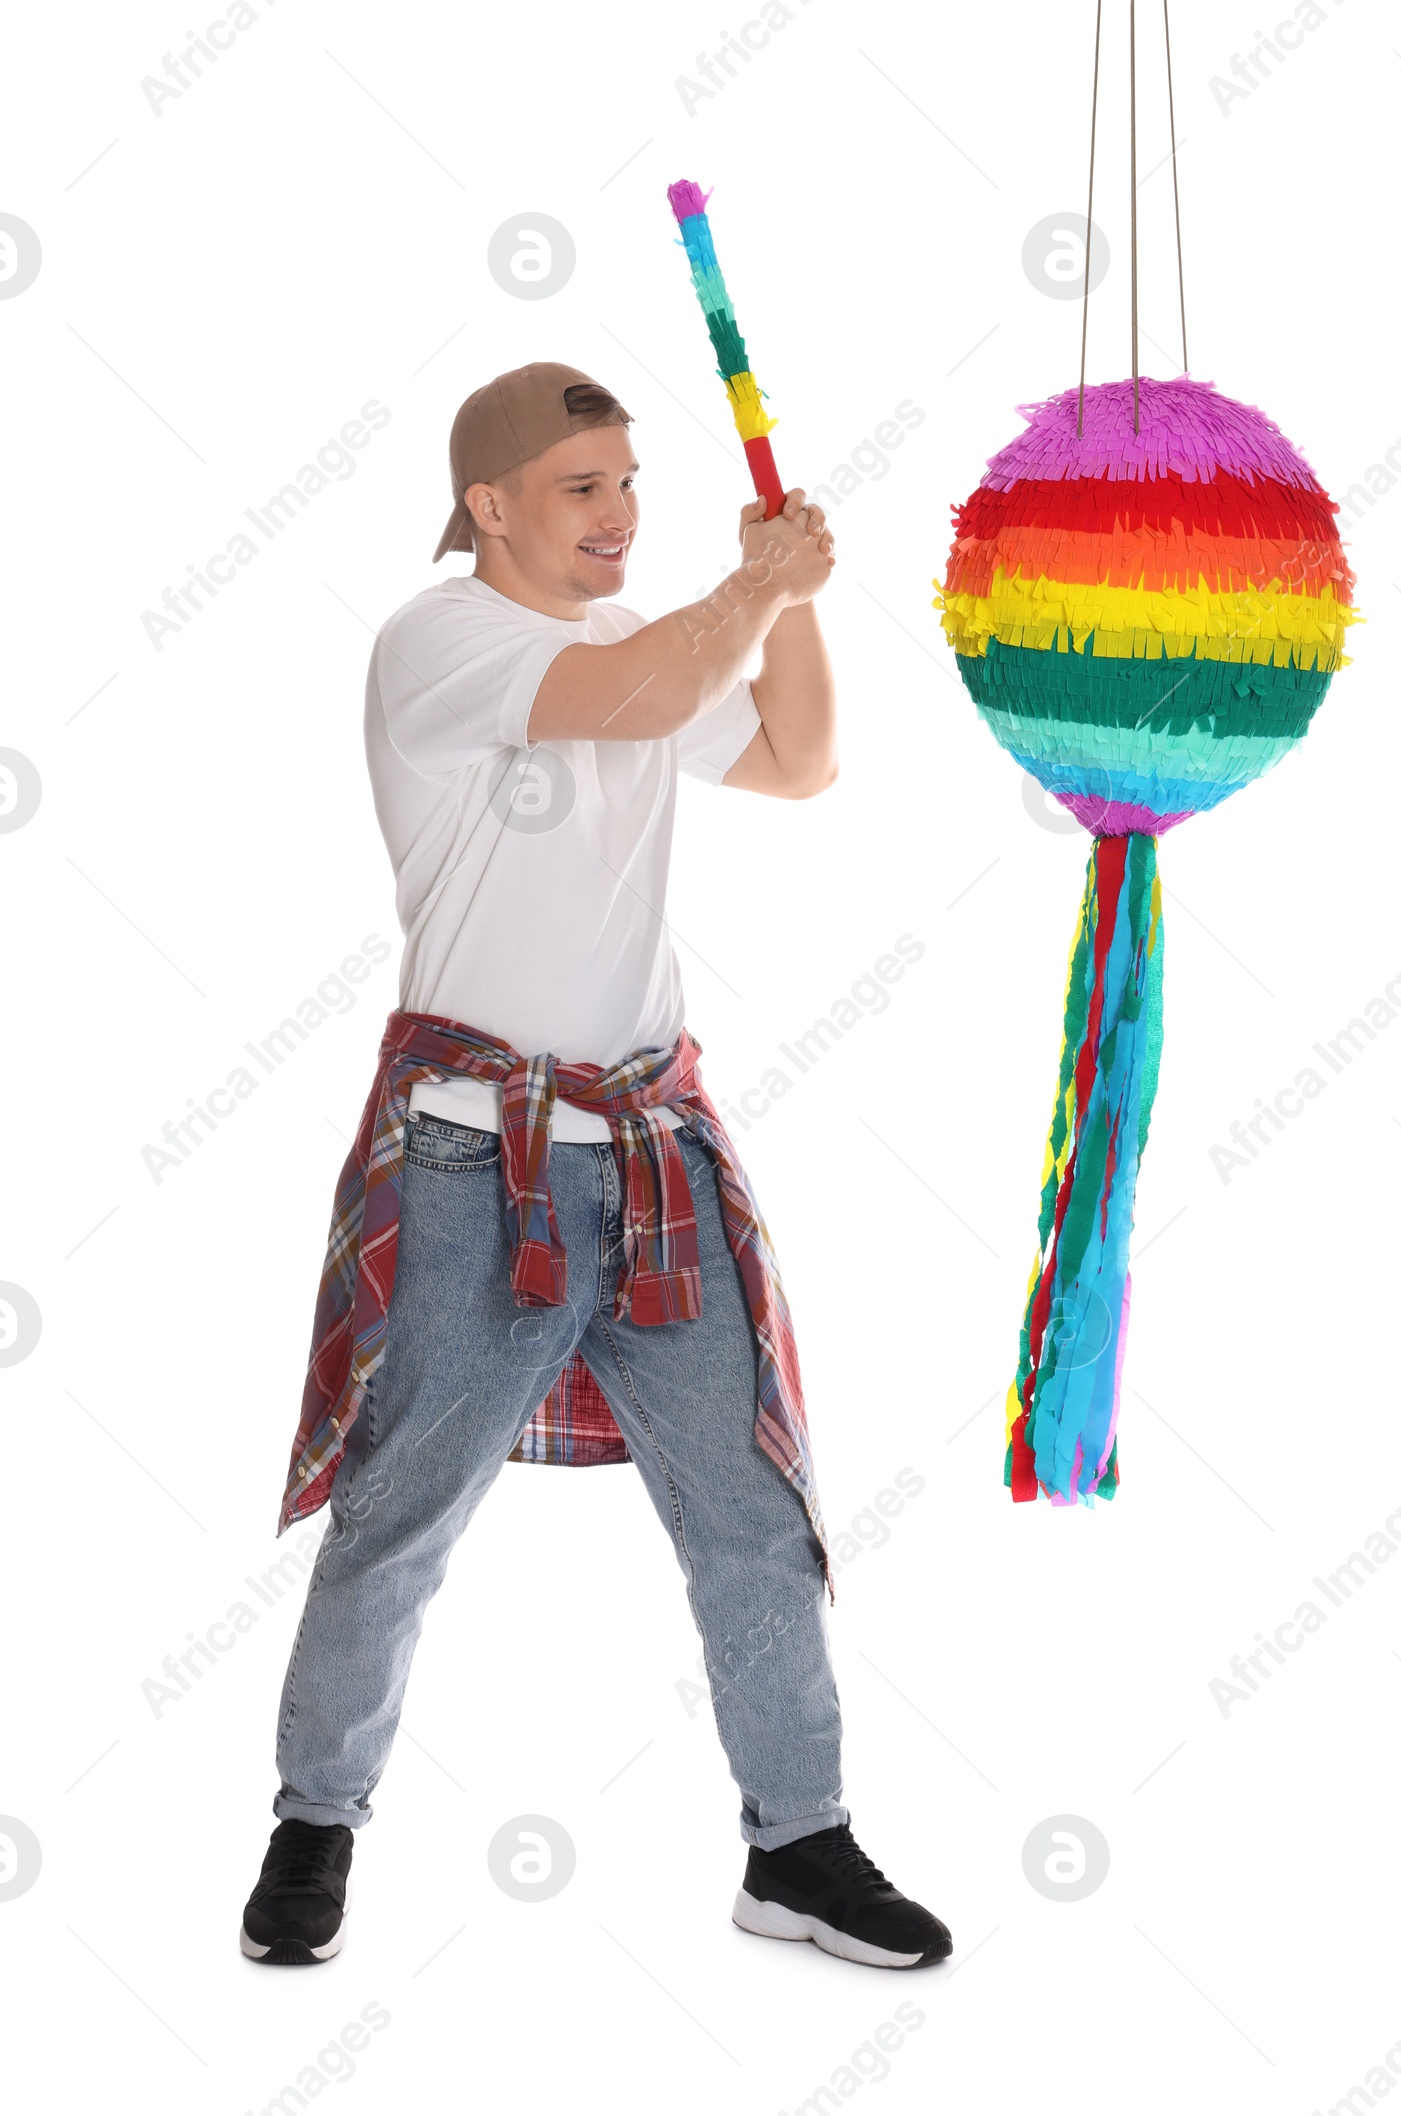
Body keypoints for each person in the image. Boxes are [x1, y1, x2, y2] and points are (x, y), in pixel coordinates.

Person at [238, 362, 951, 1972]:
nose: (619, 514)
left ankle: (802, 1848)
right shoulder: (445, 643)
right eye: (581, 488)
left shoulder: (642, 642)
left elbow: (797, 757)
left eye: (631, 481)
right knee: (401, 1516)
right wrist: (749, 587)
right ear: (487, 507)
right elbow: (632, 699)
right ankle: (313, 1827)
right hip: (471, 1162)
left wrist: (797, 596)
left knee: (755, 1519)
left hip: (654, 1154)